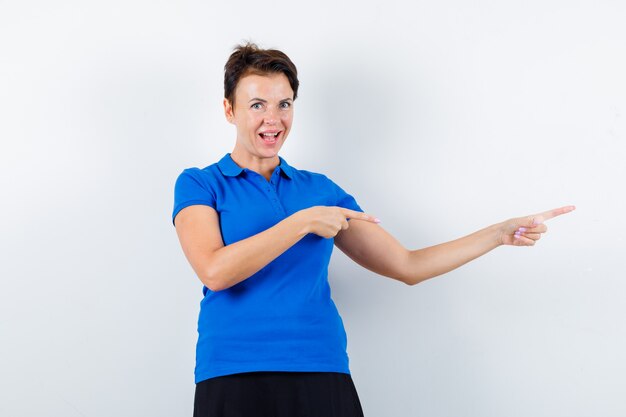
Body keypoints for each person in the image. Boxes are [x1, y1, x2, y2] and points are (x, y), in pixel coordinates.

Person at [172, 42, 575, 417]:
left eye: (284, 104)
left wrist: (497, 234)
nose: (273, 119)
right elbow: (214, 270)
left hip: (320, 367)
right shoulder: (201, 183)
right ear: (229, 110)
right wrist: (302, 222)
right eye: (257, 104)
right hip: (232, 371)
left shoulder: (321, 191)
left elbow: (407, 265)